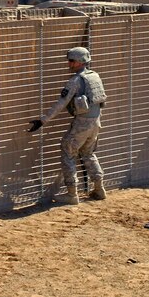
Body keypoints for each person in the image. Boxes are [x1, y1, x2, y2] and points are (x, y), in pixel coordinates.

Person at [28, 46, 107, 205]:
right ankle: (99, 188)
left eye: (71, 60)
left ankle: (72, 194)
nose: (68, 63)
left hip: (82, 123)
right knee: (88, 153)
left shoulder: (75, 81)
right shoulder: (95, 76)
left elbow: (61, 103)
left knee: (67, 151)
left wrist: (43, 120)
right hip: (96, 122)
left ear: (79, 62)